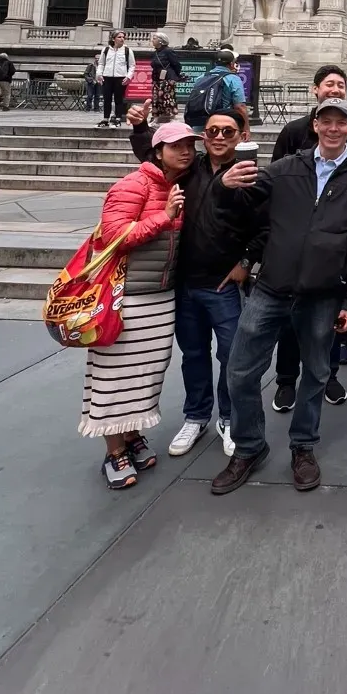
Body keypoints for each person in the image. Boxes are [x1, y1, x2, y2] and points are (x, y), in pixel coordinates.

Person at [210, 98, 347, 495]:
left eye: (342, 122)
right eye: (327, 121)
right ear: (315, 126)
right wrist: (224, 186)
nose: (334, 128)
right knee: (240, 371)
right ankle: (250, 446)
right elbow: (243, 205)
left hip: (323, 294)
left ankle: (303, 447)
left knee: (317, 373)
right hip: (272, 286)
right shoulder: (287, 168)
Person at [127, 104, 265, 460]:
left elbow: (266, 227)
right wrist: (141, 128)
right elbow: (156, 155)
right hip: (187, 281)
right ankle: (197, 415)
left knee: (232, 355)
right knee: (193, 354)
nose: (219, 137)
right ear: (205, 137)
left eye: (228, 132)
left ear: (242, 137)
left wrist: (246, 262)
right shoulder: (189, 171)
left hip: (224, 285)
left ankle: (230, 418)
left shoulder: (252, 177)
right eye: (213, 131)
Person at [79, 121, 195, 489]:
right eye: (177, 146)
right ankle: (114, 451)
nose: (186, 151)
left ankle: (131, 436)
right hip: (124, 298)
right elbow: (115, 236)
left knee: (146, 374)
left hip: (160, 298)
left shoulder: (176, 187)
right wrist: (165, 216)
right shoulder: (133, 185)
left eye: (190, 145)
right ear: (157, 151)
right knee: (114, 375)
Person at [270, 64, 347, 399]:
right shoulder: (292, 132)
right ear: (315, 91)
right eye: (328, 84)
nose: (334, 89)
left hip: (333, 249)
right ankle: (286, 381)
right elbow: (272, 187)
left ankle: (329, 377)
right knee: (288, 325)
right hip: (292, 250)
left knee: (327, 324)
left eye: (340, 85)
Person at [183, 47, 248, 136]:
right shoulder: (233, 79)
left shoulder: (201, 77)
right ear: (232, 64)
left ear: (215, 63)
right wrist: (246, 129)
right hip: (222, 125)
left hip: (199, 124)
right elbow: (240, 106)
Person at [96, 31, 136, 127]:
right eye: (119, 37)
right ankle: (105, 119)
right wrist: (99, 74)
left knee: (119, 99)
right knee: (107, 99)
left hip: (120, 77)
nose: (122, 39)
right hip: (107, 77)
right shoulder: (105, 50)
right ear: (113, 39)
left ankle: (117, 119)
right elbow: (101, 63)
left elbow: (132, 65)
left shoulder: (127, 50)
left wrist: (128, 76)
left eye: (123, 37)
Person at [149, 33, 182, 123]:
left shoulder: (168, 51)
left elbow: (176, 64)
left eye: (154, 38)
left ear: (161, 41)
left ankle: (170, 117)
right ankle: (156, 116)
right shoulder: (155, 52)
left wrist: (175, 76)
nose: (152, 40)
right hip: (157, 79)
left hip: (168, 78)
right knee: (156, 98)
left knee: (167, 98)